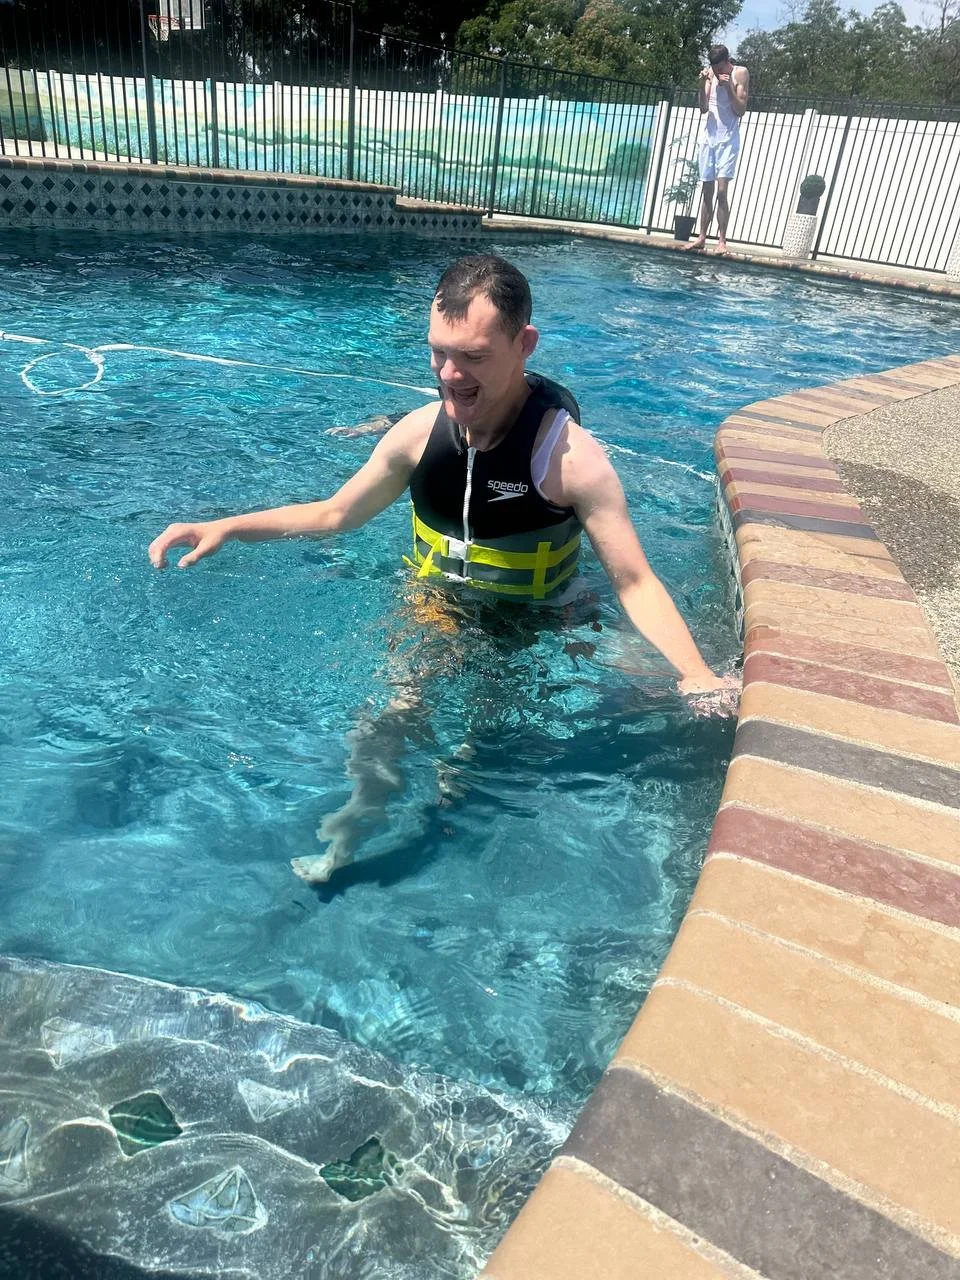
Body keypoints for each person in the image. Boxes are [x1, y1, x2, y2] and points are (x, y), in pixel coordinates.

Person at [149, 254, 737, 882]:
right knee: (392, 715)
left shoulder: (570, 458)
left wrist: (697, 673)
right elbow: (336, 514)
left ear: (523, 344)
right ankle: (357, 821)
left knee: (497, 741)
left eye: (473, 358)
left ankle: (458, 792)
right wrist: (227, 526)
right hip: (438, 606)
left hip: (541, 617)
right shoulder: (416, 434)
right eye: (438, 353)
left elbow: (634, 579)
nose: (450, 375)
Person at [684, 45, 750, 255]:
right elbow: (703, 108)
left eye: (719, 67)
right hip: (709, 138)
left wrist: (728, 86)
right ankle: (702, 237)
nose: (716, 71)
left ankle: (722, 241)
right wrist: (703, 83)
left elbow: (740, 110)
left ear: (727, 61)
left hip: (728, 139)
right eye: (713, 67)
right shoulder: (710, 73)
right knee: (707, 190)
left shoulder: (740, 73)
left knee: (722, 192)